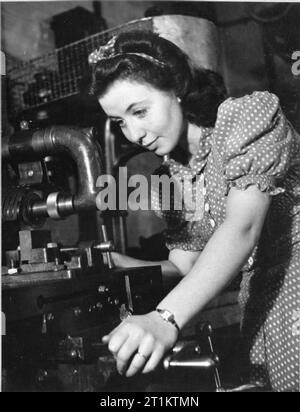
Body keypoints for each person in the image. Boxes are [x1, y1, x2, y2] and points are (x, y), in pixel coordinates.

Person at [87, 30, 300, 392]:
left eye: (139, 111)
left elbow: (243, 227)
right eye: (121, 122)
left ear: (177, 89)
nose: (134, 133)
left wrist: (164, 319)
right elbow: (185, 264)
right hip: (264, 305)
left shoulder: (246, 118)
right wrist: (118, 265)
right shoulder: (170, 178)